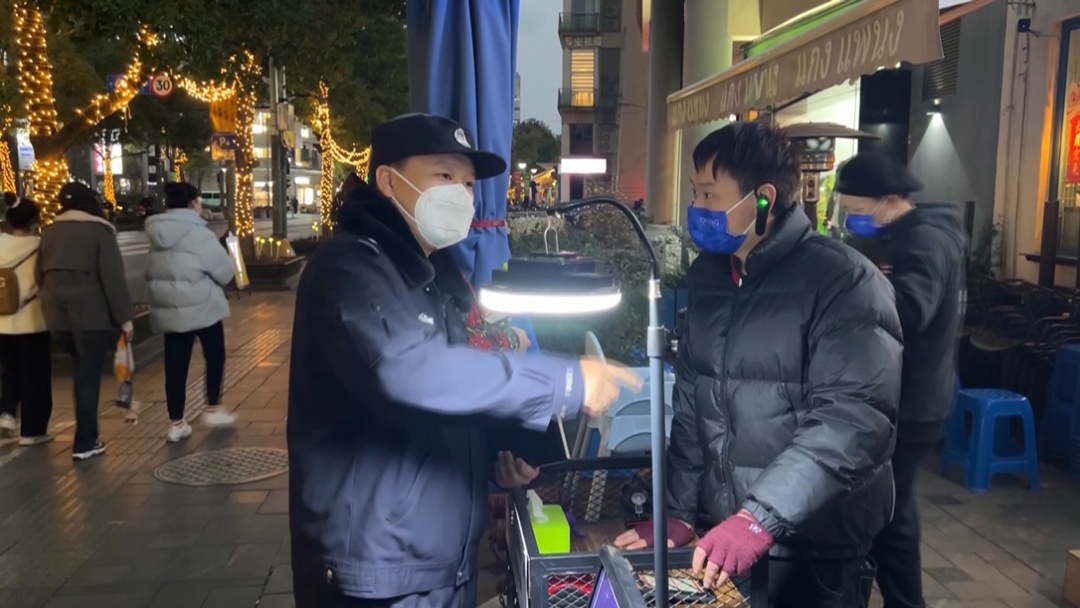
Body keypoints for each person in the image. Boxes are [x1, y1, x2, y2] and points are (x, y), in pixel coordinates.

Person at [287, 113, 640, 608]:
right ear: (388, 180)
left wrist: (496, 457)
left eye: (469, 183)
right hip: (377, 573)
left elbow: (442, 400)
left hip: (438, 563)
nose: (461, 193)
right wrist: (564, 381)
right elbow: (411, 370)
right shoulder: (351, 269)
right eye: (444, 175)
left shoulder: (431, 274)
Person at [614, 122, 902, 608]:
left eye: (709, 194)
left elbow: (853, 420)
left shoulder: (844, 283)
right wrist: (678, 513)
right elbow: (692, 407)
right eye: (694, 193)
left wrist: (760, 518)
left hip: (815, 548)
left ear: (764, 199)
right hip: (728, 538)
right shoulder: (710, 277)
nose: (696, 208)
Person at [836, 152, 966, 608]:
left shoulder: (928, 240)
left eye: (856, 209)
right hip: (893, 395)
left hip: (913, 401)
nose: (852, 219)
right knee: (889, 509)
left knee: (890, 511)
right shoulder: (893, 234)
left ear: (890, 199)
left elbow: (908, 312)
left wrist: (852, 300)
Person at [38, 182, 134, 462]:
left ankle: (87, 437)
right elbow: (113, 279)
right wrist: (125, 320)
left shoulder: (49, 232)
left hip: (58, 317)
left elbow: (38, 276)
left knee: (80, 375)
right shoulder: (100, 232)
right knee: (88, 378)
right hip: (92, 318)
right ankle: (84, 441)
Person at [146, 182, 237, 443]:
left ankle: (176, 422)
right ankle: (212, 408)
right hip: (202, 304)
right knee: (215, 354)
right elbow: (225, 272)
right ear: (192, 203)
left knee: (175, 366)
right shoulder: (199, 234)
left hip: (170, 308)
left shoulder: (156, 232)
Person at [0, 196, 53, 445]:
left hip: (2, 321)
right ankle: (32, 431)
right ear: (33, 221)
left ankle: (7, 414)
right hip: (31, 320)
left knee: (9, 370)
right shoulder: (38, 247)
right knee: (34, 375)